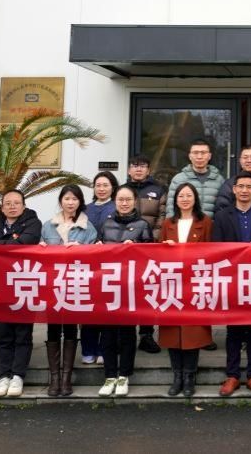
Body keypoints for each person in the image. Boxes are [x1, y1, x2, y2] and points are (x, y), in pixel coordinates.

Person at [213, 171, 251, 397]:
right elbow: (216, 248)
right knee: (233, 330)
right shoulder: (222, 216)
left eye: (249, 187)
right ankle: (232, 375)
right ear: (234, 189)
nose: (244, 190)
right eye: (240, 186)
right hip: (232, 279)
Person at [97, 184, 155, 397]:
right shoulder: (106, 224)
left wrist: (136, 246)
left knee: (127, 333)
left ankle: (124, 375)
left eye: (128, 199)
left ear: (134, 201)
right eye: (120, 199)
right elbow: (96, 250)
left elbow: (151, 255)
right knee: (108, 334)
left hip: (131, 287)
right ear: (115, 201)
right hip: (108, 286)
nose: (124, 203)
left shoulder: (142, 225)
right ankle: (109, 375)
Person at [40, 184, 98, 396]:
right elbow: (39, 254)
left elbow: (95, 256)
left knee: (71, 329)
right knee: (53, 329)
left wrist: (82, 249)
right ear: (61, 201)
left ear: (80, 202)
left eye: (74, 199)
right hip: (53, 284)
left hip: (75, 283)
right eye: (67, 198)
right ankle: (54, 379)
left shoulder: (88, 228)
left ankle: (66, 379)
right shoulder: (48, 226)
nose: (70, 202)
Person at [159, 182, 214, 398]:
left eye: (189, 195)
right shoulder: (168, 223)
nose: (185, 199)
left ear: (195, 198)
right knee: (172, 331)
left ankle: (190, 376)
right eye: (181, 195)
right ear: (175, 199)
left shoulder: (205, 222)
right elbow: (157, 253)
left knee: (193, 332)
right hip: (172, 283)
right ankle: (177, 376)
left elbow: (212, 252)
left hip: (195, 283)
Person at [0, 189, 42, 398]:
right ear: (2, 208)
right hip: (1, 285)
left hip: (24, 284)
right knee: (3, 334)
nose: (12, 206)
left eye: (16, 203)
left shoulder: (33, 223)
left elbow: (23, 244)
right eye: (8, 203)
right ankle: (4, 376)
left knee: (22, 333)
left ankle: (18, 375)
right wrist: (6, 243)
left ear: (23, 206)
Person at [125, 154, 165, 354]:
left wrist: (151, 239)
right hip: (126, 249)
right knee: (128, 290)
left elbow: (162, 216)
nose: (138, 169)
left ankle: (146, 335)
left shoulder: (158, 190)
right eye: (135, 165)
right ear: (129, 170)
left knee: (148, 290)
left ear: (148, 170)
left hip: (150, 248)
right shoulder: (122, 190)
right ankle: (127, 334)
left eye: (143, 166)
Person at [81, 171, 118, 365]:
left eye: (105, 185)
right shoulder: (85, 209)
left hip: (110, 265)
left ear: (113, 187)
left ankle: (105, 349)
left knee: (107, 309)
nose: (101, 189)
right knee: (88, 308)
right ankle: (88, 349)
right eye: (98, 185)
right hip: (87, 265)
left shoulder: (117, 207)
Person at [166, 139, 225, 219]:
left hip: (212, 225)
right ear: (190, 156)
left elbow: (223, 208)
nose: (199, 157)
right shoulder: (178, 179)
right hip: (185, 225)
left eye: (203, 153)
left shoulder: (219, 180)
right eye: (195, 153)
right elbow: (170, 209)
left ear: (209, 156)